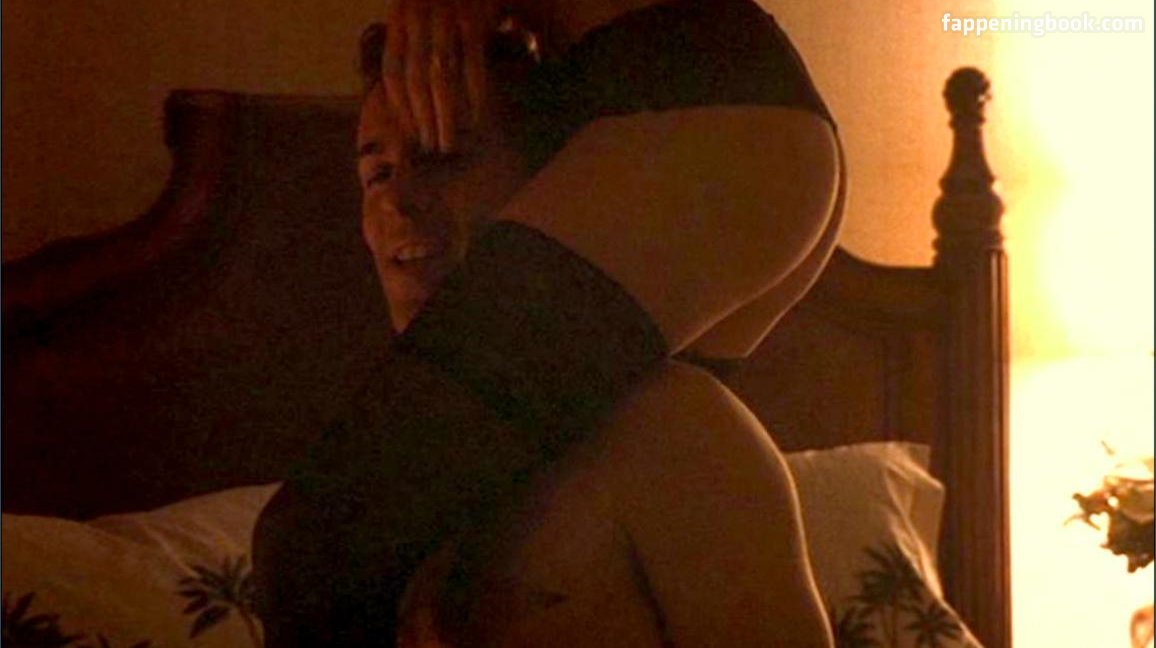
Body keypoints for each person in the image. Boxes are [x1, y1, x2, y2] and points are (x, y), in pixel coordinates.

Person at [254, 0, 845, 644]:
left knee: (313, 553)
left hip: (689, 78)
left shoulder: (672, 436)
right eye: (376, 173)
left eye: (446, 154)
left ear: (552, 189)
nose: (398, 201)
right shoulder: (383, 446)